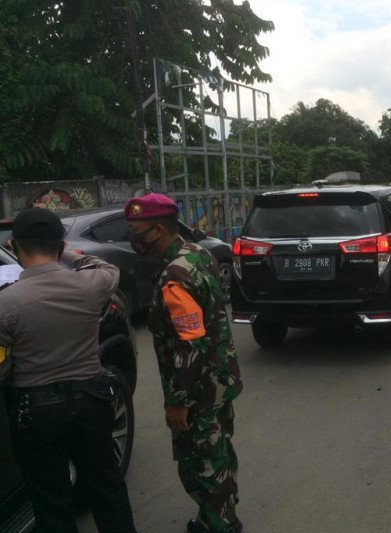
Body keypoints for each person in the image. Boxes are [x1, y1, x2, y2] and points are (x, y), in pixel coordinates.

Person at [0, 208, 136, 533]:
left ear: (14, 246)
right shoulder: (90, 285)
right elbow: (107, 268)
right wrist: (73, 257)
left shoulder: (5, 304)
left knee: (52, 502)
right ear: (60, 247)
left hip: (36, 414)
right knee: (108, 489)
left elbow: (2, 369)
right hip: (92, 402)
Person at [124, 193, 243, 533]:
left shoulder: (175, 276)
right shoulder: (197, 253)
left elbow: (189, 345)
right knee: (218, 450)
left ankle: (220, 524)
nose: (132, 238)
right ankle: (218, 517)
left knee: (201, 463)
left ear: (158, 231)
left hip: (198, 388)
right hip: (218, 378)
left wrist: (178, 402)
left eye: (136, 231)